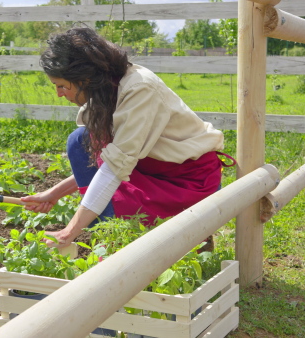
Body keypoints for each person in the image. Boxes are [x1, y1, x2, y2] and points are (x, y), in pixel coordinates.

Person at [20, 27, 226, 249]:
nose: (60, 94)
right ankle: (109, 239)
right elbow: (110, 163)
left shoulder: (139, 89)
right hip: (148, 169)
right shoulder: (105, 90)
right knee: (81, 140)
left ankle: (121, 247)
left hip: (185, 179)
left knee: (81, 142)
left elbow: (113, 169)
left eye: (62, 86)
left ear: (85, 78)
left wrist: (68, 232)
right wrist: (54, 194)